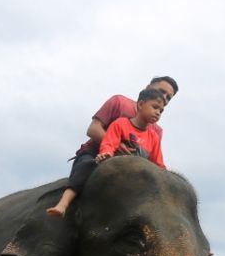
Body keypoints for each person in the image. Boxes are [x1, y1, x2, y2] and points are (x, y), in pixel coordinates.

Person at [47, 87, 168, 217]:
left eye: (161, 111)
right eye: (155, 107)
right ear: (140, 104)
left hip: (136, 175)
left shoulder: (154, 137)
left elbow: (157, 162)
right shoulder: (121, 123)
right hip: (115, 166)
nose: (158, 113)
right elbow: (109, 144)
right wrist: (106, 155)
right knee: (86, 166)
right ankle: (63, 204)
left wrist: (165, 177)